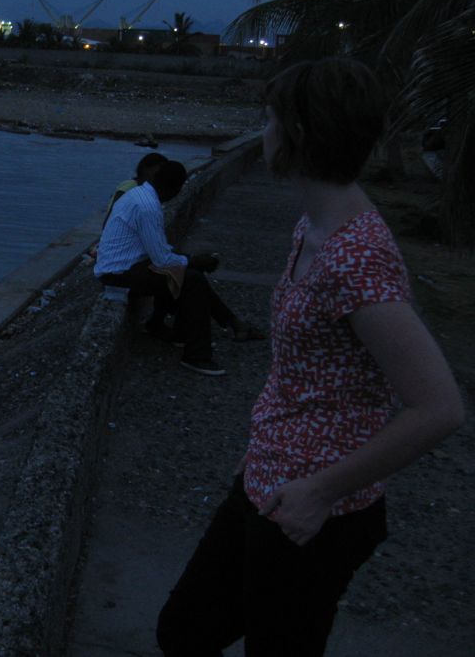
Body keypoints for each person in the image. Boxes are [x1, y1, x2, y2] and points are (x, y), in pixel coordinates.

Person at [156, 57, 465, 656]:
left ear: (298, 131)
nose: (263, 132)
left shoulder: (356, 258)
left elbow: (439, 407)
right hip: (266, 478)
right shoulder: (312, 227)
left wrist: (321, 492)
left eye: (269, 118)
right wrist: (263, 450)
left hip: (312, 514)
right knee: (184, 630)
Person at [94, 160, 261, 377]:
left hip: (124, 266)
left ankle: (223, 324)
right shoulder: (148, 207)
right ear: (176, 190)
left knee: (186, 271)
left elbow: (160, 253)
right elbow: (163, 260)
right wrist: (194, 261)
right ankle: (197, 355)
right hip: (119, 274)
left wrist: (189, 261)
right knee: (192, 279)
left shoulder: (139, 195)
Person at [101, 151, 168, 229]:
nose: (162, 174)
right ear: (146, 169)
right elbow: (110, 220)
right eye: (160, 170)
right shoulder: (130, 186)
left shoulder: (147, 190)